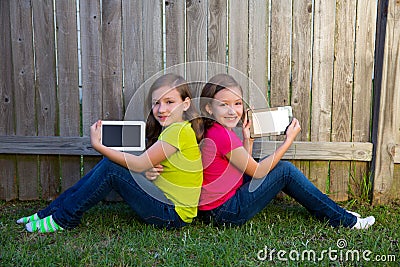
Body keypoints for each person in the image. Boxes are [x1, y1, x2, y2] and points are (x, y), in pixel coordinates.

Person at [17, 73, 203, 233]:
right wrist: (146, 172)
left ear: (185, 104)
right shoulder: (176, 129)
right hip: (164, 204)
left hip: (172, 215)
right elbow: (151, 168)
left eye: (169, 102)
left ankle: (64, 218)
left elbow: (139, 164)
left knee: (111, 167)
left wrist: (99, 146)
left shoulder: (179, 131)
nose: (161, 109)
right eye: (156, 103)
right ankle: (50, 212)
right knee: (112, 166)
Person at [197, 73, 375, 229]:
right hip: (225, 212)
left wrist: (247, 140)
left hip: (215, 209)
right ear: (209, 108)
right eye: (223, 105)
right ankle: (345, 220)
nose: (232, 110)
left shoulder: (216, 130)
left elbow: (244, 168)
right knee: (285, 171)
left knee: (277, 167)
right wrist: (288, 141)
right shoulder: (222, 136)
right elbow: (257, 172)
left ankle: (335, 211)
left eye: (237, 103)